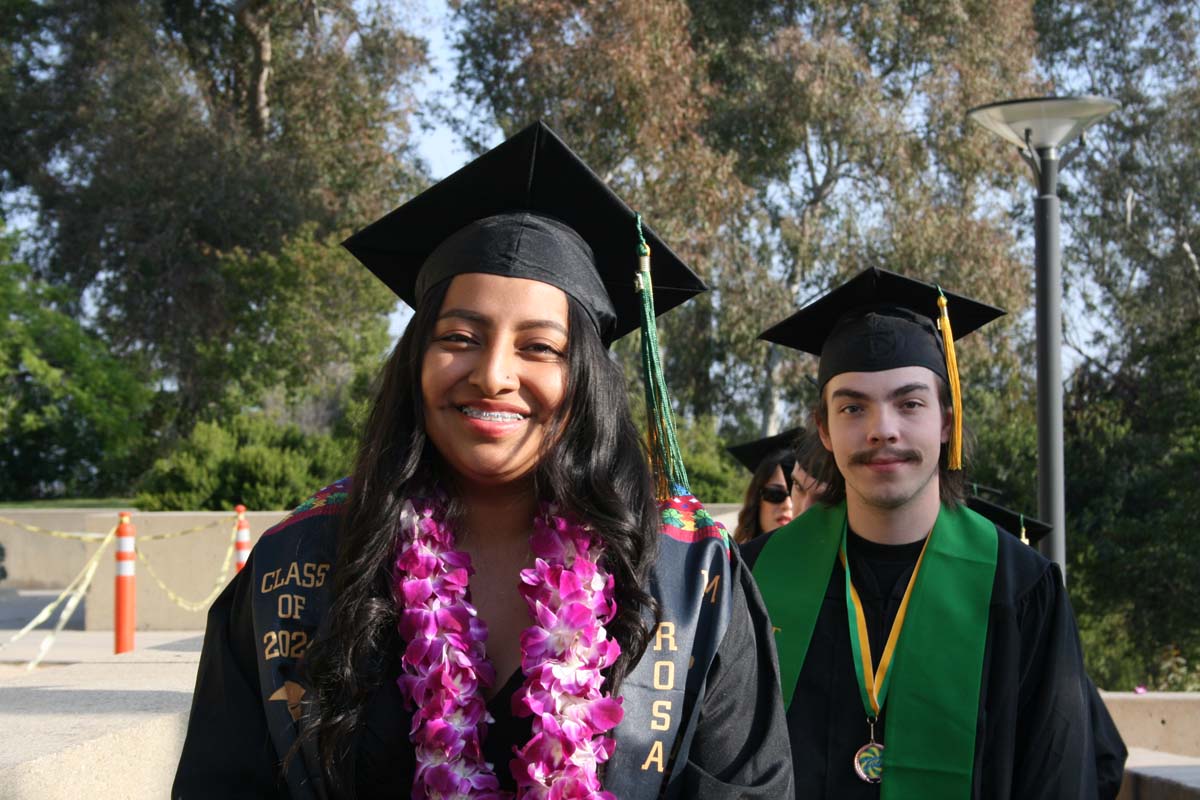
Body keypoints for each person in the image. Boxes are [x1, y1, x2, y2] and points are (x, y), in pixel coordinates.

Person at [172, 121, 793, 800]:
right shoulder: (299, 564)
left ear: (587, 377)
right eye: (460, 336)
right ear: (416, 361)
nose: (493, 374)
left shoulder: (688, 571)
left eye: (540, 347)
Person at [742, 267, 1110, 798]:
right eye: (852, 407)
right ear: (824, 428)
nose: (882, 428)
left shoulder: (1022, 588)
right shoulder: (756, 578)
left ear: (946, 421)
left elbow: (1058, 777)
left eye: (909, 403)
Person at [727, 428, 822, 544]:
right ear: (757, 500)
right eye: (776, 494)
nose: (787, 505)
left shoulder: (824, 560)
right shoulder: (728, 559)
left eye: (797, 493)